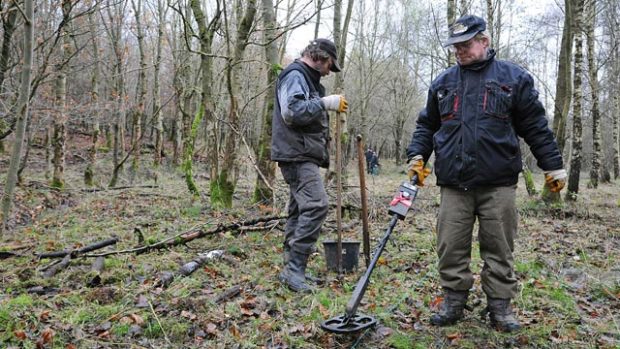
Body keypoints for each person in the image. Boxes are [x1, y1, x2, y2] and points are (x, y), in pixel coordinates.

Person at [406, 14, 567, 332]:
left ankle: (500, 307)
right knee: (450, 245)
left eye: (465, 45)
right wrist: (417, 156)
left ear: (484, 41)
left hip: (498, 184)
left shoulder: (513, 78)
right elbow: (427, 124)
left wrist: (553, 165)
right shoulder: (443, 83)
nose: (459, 51)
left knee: (499, 246)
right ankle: (453, 300)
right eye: (455, 47)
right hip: (453, 183)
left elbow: (534, 126)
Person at [271, 38, 348, 293]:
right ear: (319, 56)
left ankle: (291, 269)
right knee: (316, 205)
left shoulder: (308, 79)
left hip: (302, 154)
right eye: (329, 65)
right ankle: (294, 269)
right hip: (297, 154)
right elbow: (291, 112)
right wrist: (325, 104)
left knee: (298, 209)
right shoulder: (294, 74)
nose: (329, 71)